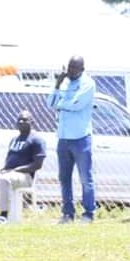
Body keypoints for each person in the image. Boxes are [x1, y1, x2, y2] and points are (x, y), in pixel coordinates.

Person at [47, 56, 96, 224]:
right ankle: (68, 214)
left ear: (82, 69)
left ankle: (88, 213)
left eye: (74, 67)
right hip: (63, 138)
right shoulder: (64, 83)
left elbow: (77, 104)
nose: (70, 70)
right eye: (69, 67)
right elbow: (50, 103)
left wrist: (61, 104)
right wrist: (57, 84)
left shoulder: (88, 84)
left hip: (81, 138)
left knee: (85, 178)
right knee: (64, 178)